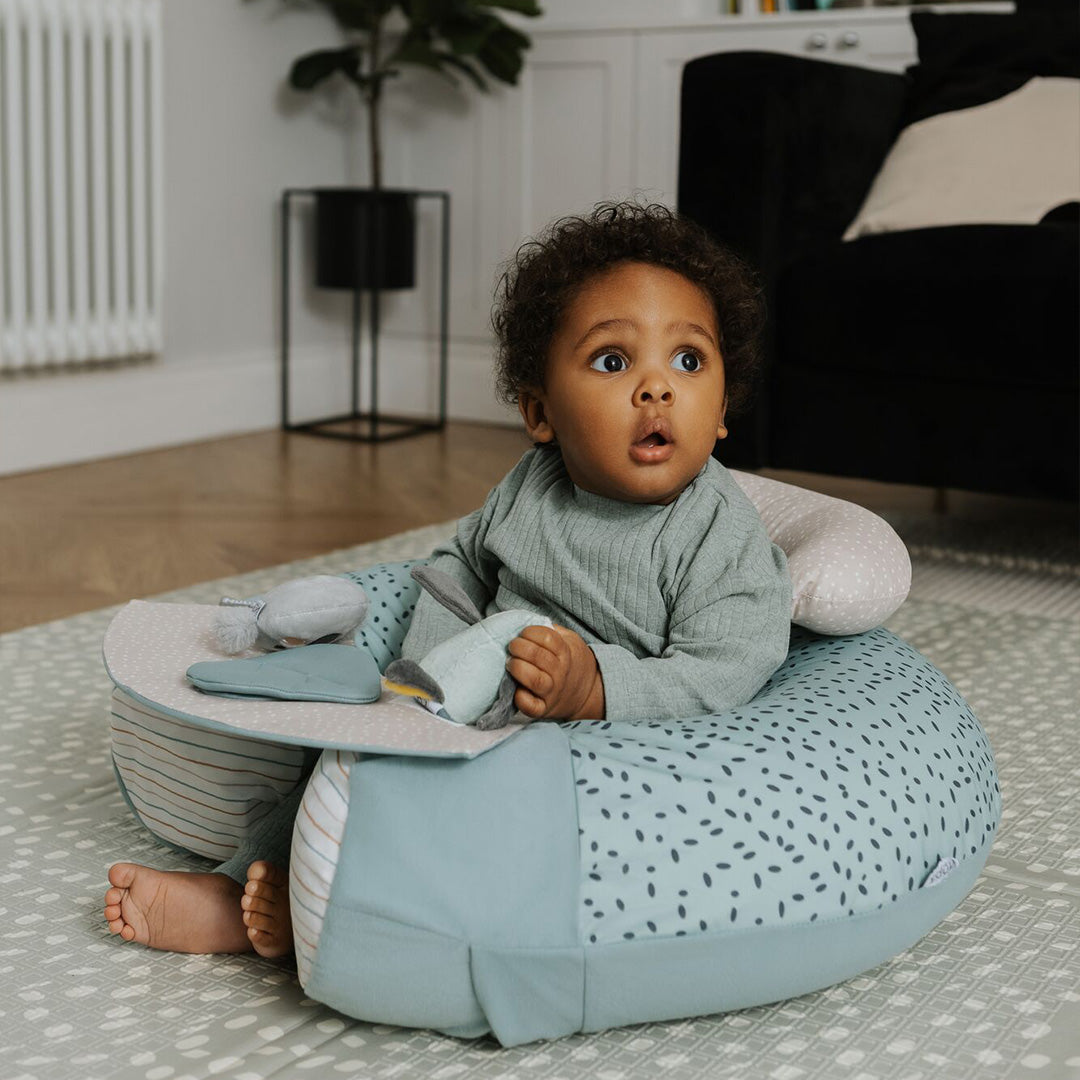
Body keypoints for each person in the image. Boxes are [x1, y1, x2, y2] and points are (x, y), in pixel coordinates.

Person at [102, 201, 792, 958]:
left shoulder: (718, 533)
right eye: (613, 361)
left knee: (440, 820)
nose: (657, 389)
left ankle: (348, 917)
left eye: (689, 362)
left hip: (589, 748)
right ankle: (238, 888)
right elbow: (459, 568)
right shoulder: (533, 486)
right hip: (467, 701)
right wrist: (426, 680)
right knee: (338, 761)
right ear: (541, 413)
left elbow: (729, 667)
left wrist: (597, 687)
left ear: (723, 408)